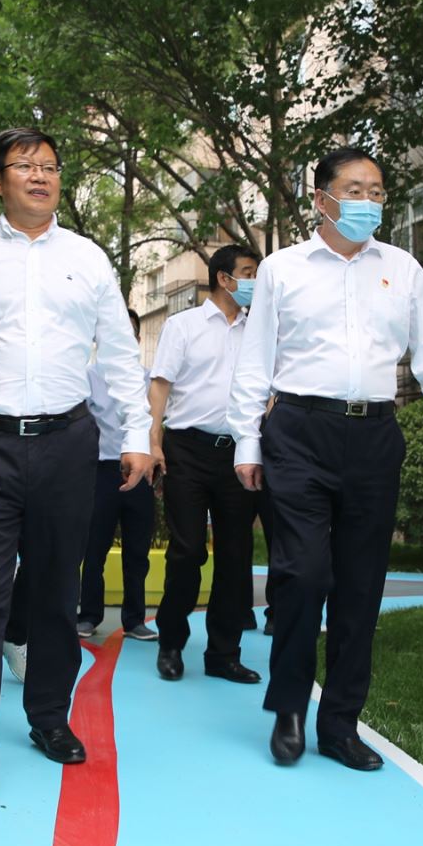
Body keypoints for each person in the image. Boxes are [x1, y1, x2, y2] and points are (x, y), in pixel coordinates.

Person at [0, 128, 153, 821]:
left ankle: (48, 716)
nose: (41, 176)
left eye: (50, 166)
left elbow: (120, 354)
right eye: (25, 165)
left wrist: (138, 434)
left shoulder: (87, 258)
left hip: (67, 444)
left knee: (54, 591)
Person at [227, 147, 423, 772]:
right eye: (354, 190)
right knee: (304, 575)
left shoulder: (402, 269)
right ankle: (288, 708)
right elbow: (255, 361)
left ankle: (340, 724)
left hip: (375, 436)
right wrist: (248, 441)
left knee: (361, 587)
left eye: (377, 191)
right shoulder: (282, 270)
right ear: (322, 199)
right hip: (298, 432)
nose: (368, 201)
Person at [150, 245, 262, 684]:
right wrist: (152, 441)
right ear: (223, 278)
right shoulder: (183, 326)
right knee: (188, 550)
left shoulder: (260, 330)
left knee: (236, 555)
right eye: (248, 272)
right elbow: (160, 386)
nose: (255, 281)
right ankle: (171, 643)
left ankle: (223, 654)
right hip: (188, 450)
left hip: (240, 453)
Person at [77, 308, 157, 640]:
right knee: (93, 548)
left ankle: (134, 620)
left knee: (137, 550)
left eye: (130, 334)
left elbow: (156, 424)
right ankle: (88, 615)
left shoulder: (148, 379)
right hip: (101, 469)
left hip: (140, 472)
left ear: (136, 340)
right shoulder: (88, 377)